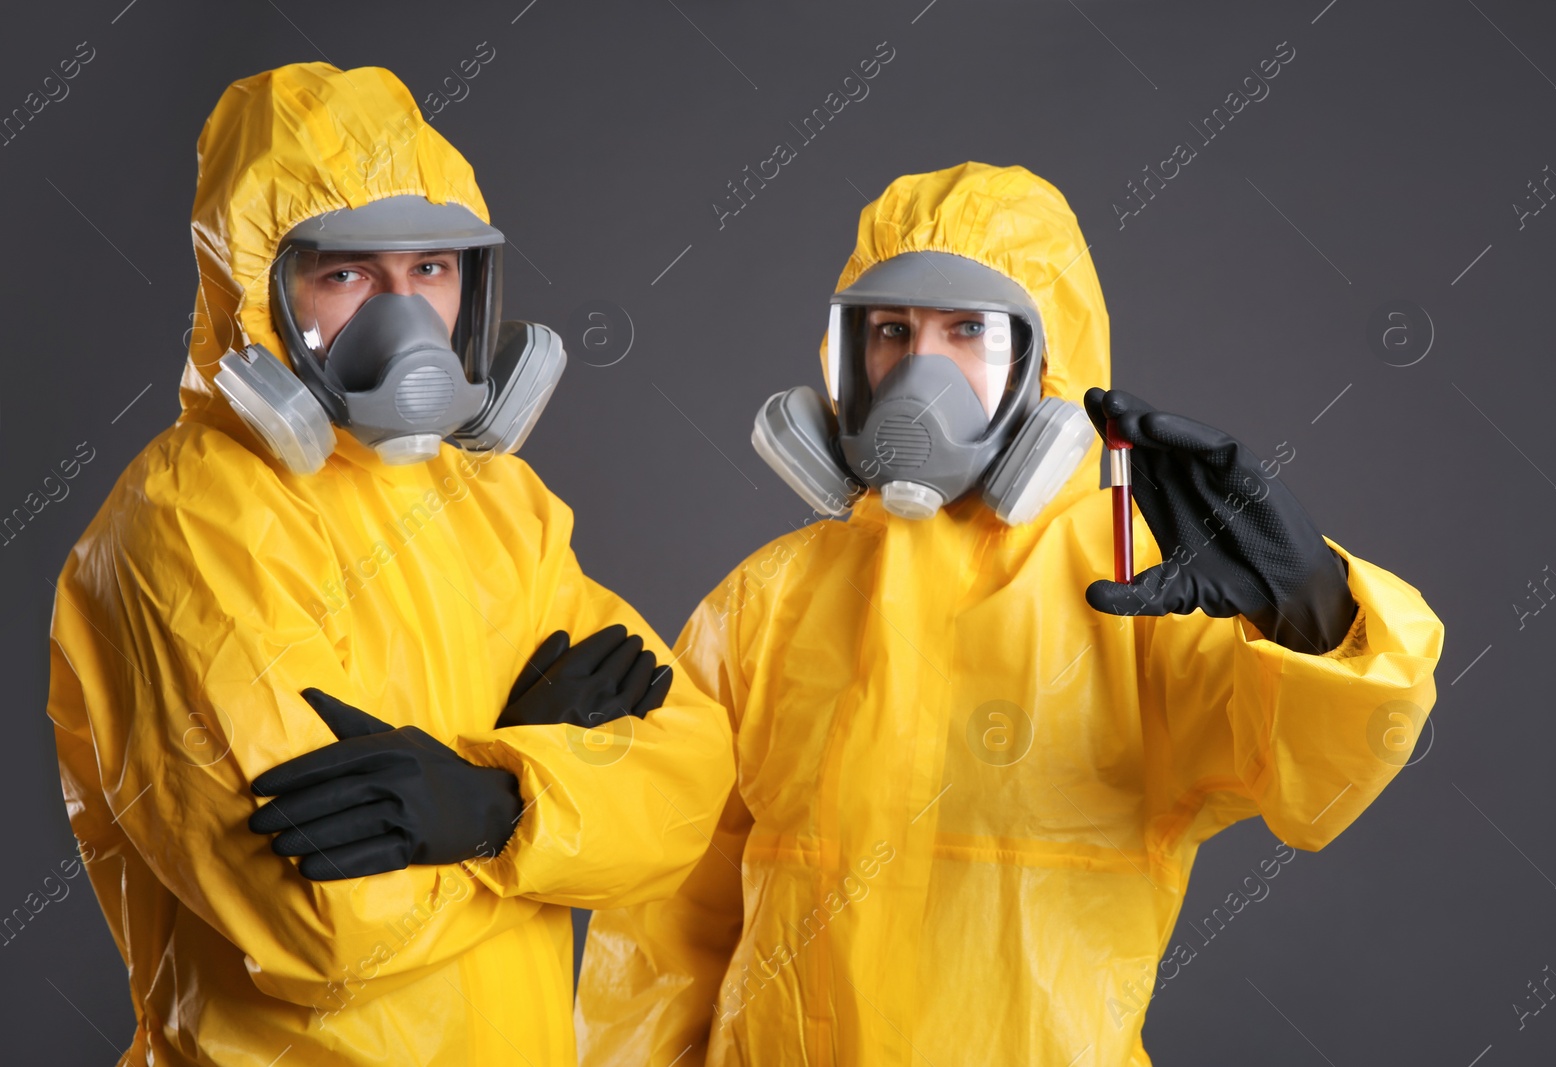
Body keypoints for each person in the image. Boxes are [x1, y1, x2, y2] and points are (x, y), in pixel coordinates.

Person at [573, 162, 1445, 1066]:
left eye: (969, 331)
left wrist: (1313, 608)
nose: (922, 370)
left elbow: (1321, 782)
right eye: (890, 331)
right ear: (847, 357)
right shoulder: (764, 604)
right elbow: (665, 917)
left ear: (1049, 360)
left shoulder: (1144, 593)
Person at [46, 62, 734, 1066]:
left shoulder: (499, 503)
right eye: (348, 273)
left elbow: (687, 785)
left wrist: (487, 800)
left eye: (432, 269)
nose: (405, 316)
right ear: (254, 290)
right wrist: (551, 780)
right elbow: (326, 919)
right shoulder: (184, 526)